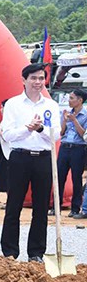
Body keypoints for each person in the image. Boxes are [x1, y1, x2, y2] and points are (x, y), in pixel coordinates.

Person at [0, 63, 61, 262]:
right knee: (14, 205)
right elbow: (8, 134)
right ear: (23, 80)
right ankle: (9, 251)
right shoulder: (13, 104)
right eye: (33, 78)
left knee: (42, 207)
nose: (37, 82)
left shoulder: (50, 105)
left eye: (41, 78)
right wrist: (27, 129)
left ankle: (36, 253)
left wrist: (41, 129)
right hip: (20, 157)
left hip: (43, 158)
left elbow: (56, 135)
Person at [55, 89, 87, 218]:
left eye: (72, 98)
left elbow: (84, 134)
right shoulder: (68, 113)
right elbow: (61, 133)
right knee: (59, 177)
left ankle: (75, 208)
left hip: (78, 148)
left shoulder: (85, 114)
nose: (69, 100)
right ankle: (55, 207)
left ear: (80, 100)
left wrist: (74, 120)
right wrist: (64, 120)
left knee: (76, 178)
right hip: (65, 146)